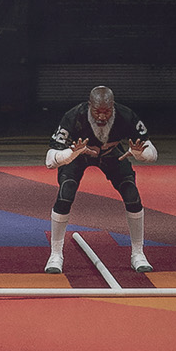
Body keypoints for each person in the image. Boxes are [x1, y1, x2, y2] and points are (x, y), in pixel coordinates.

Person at [40, 83, 154, 274]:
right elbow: (50, 160)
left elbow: (152, 151)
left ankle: (138, 253)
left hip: (111, 154)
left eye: (106, 111)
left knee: (132, 194)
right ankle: (56, 254)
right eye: (97, 111)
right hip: (78, 154)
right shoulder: (73, 116)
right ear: (89, 105)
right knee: (65, 194)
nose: (101, 116)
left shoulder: (126, 115)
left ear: (113, 107)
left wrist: (140, 154)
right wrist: (70, 153)